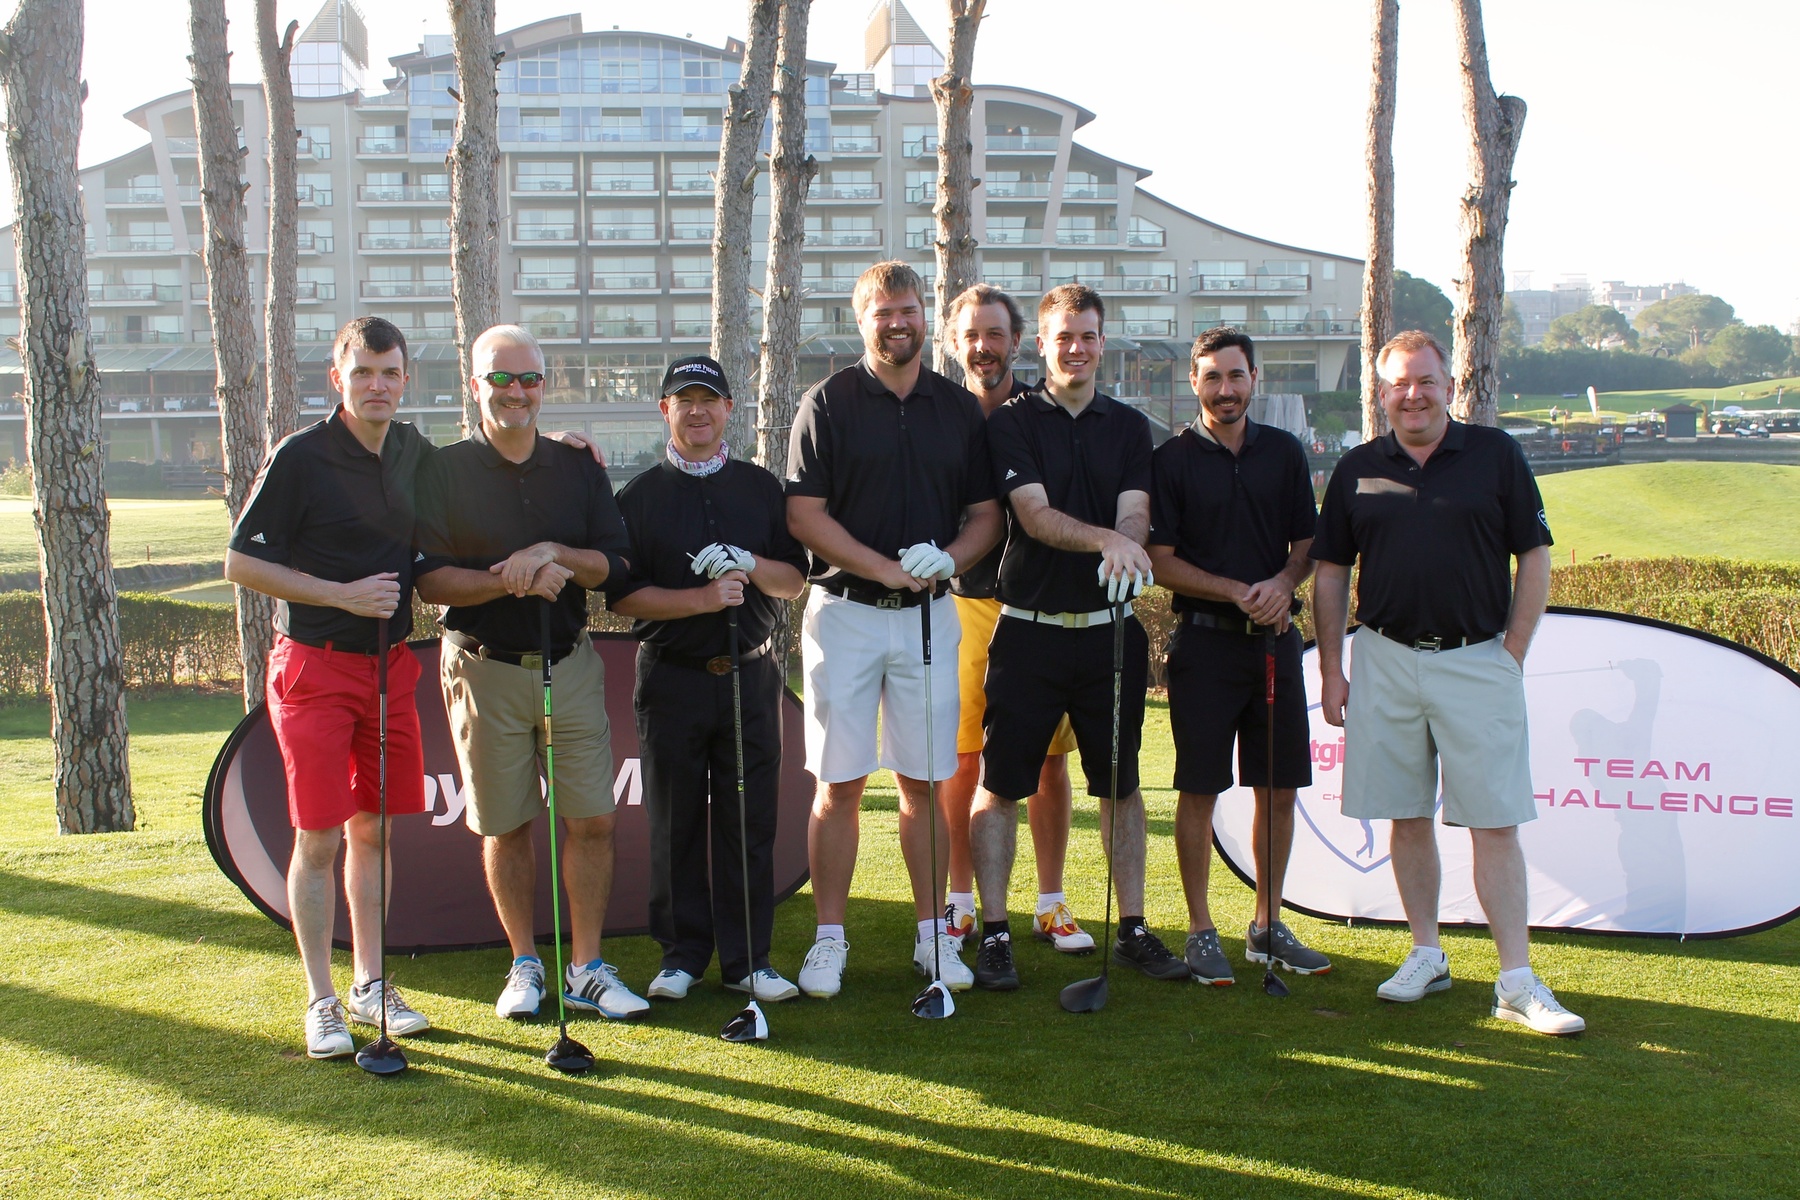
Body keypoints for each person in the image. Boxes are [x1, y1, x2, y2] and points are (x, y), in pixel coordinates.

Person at [1311, 329, 1584, 1035]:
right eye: (1399, 383)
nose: (1413, 395)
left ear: (1449, 387)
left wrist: (1512, 652)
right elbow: (1333, 571)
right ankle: (1426, 953)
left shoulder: (1495, 456)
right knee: (1405, 814)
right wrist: (1334, 669)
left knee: (1493, 822)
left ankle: (1516, 979)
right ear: (1382, 393)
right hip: (1385, 659)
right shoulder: (1356, 468)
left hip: (1477, 658)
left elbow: (1535, 555)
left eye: (1426, 381)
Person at [413, 324, 648, 1023]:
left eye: (530, 379)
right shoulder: (444, 471)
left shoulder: (577, 466)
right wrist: (511, 580)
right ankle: (524, 963)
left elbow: (616, 566)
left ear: (545, 385)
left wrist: (554, 553)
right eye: (501, 379)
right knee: (507, 826)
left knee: (593, 820)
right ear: (475, 384)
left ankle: (585, 967)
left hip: (568, 664)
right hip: (484, 669)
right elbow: (428, 581)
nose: (516, 392)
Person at [785, 260, 1004, 998]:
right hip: (844, 614)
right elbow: (804, 514)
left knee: (927, 782)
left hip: (929, 619)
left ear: (924, 315)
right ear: (862, 320)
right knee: (838, 785)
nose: (897, 323)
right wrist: (880, 567)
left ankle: (930, 939)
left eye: (907, 310)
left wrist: (949, 559)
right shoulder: (827, 402)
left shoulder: (954, 408)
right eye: (883, 312)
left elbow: (986, 516)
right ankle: (828, 939)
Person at [968, 284, 1189, 991]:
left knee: (1121, 788)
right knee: (1001, 785)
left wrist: (1123, 543)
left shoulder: (1127, 427)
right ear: (1042, 341)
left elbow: (1135, 514)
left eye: (1089, 336)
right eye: (1064, 336)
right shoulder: (1014, 422)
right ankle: (997, 932)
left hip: (1108, 637)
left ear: (1102, 341)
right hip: (1028, 631)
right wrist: (1106, 544)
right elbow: (1033, 515)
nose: (1077, 348)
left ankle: (1131, 929)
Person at [224, 315, 433, 1058]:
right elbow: (242, 564)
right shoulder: (301, 457)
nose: (378, 385)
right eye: (364, 372)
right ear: (337, 378)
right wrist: (339, 594)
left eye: (391, 373)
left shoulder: (413, 450)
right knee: (317, 835)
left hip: (391, 669)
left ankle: (371, 982)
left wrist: (568, 452)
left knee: (374, 829)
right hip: (313, 667)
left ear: (405, 380)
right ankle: (321, 998)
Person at [610, 356, 809, 1003]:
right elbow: (622, 598)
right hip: (672, 679)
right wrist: (697, 599)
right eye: (682, 400)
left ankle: (748, 959)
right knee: (674, 822)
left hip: (749, 677)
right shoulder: (639, 498)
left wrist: (750, 564)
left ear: (729, 410)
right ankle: (682, 954)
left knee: (748, 820)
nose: (697, 411)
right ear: (664, 411)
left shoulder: (759, 490)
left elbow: (794, 578)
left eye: (709, 399)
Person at [1147, 326, 1329, 986]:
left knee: (1278, 790)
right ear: (1194, 383)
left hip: (1276, 646)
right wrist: (1236, 591)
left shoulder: (1282, 453)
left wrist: (1282, 585)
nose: (1226, 389)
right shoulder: (1169, 461)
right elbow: (1162, 562)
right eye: (1213, 377)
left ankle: (1266, 925)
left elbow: (1307, 541)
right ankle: (1200, 930)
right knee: (1199, 790)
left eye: (1236, 376)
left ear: (1255, 380)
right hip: (1203, 645)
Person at [939, 284, 1088, 956]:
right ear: (953, 341)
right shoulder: (938, 414)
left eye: (994, 334)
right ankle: (962, 902)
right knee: (965, 761)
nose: (982, 347)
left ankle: (1051, 902)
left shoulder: (1040, 413)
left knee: (1050, 765)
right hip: (963, 605)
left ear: (1016, 341)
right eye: (971, 334)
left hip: (1039, 608)